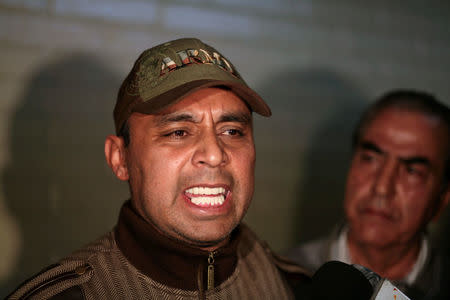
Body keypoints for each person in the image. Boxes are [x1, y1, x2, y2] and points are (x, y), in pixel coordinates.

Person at [8, 38, 309, 299]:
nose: (215, 154)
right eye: (178, 132)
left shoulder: (298, 288)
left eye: (231, 131)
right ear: (120, 158)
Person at [287, 89, 450, 300]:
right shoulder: (280, 278)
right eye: (371, 158)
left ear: (441, 199)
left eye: (412, 171)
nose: (382, 187)